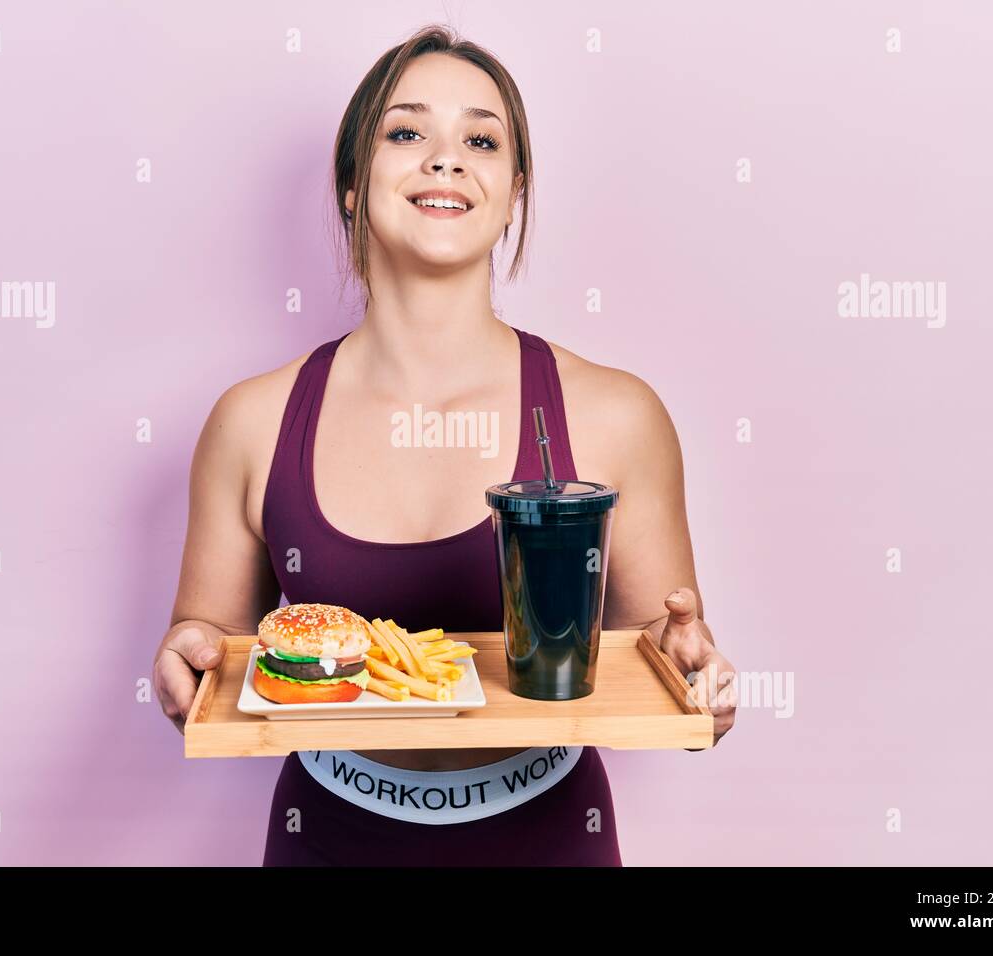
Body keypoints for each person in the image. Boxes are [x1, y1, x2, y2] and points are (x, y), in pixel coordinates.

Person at [152, 24, 737, 866]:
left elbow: (672, 678)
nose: (445, 158)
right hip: (325, 838)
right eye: (405, 132)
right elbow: (207, 651)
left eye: (481, 139)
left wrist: (696, 683)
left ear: (513, 191)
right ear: (353, 185)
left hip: (551, 838)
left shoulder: (617, 416)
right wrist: (185, 660)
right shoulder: (251, 422)